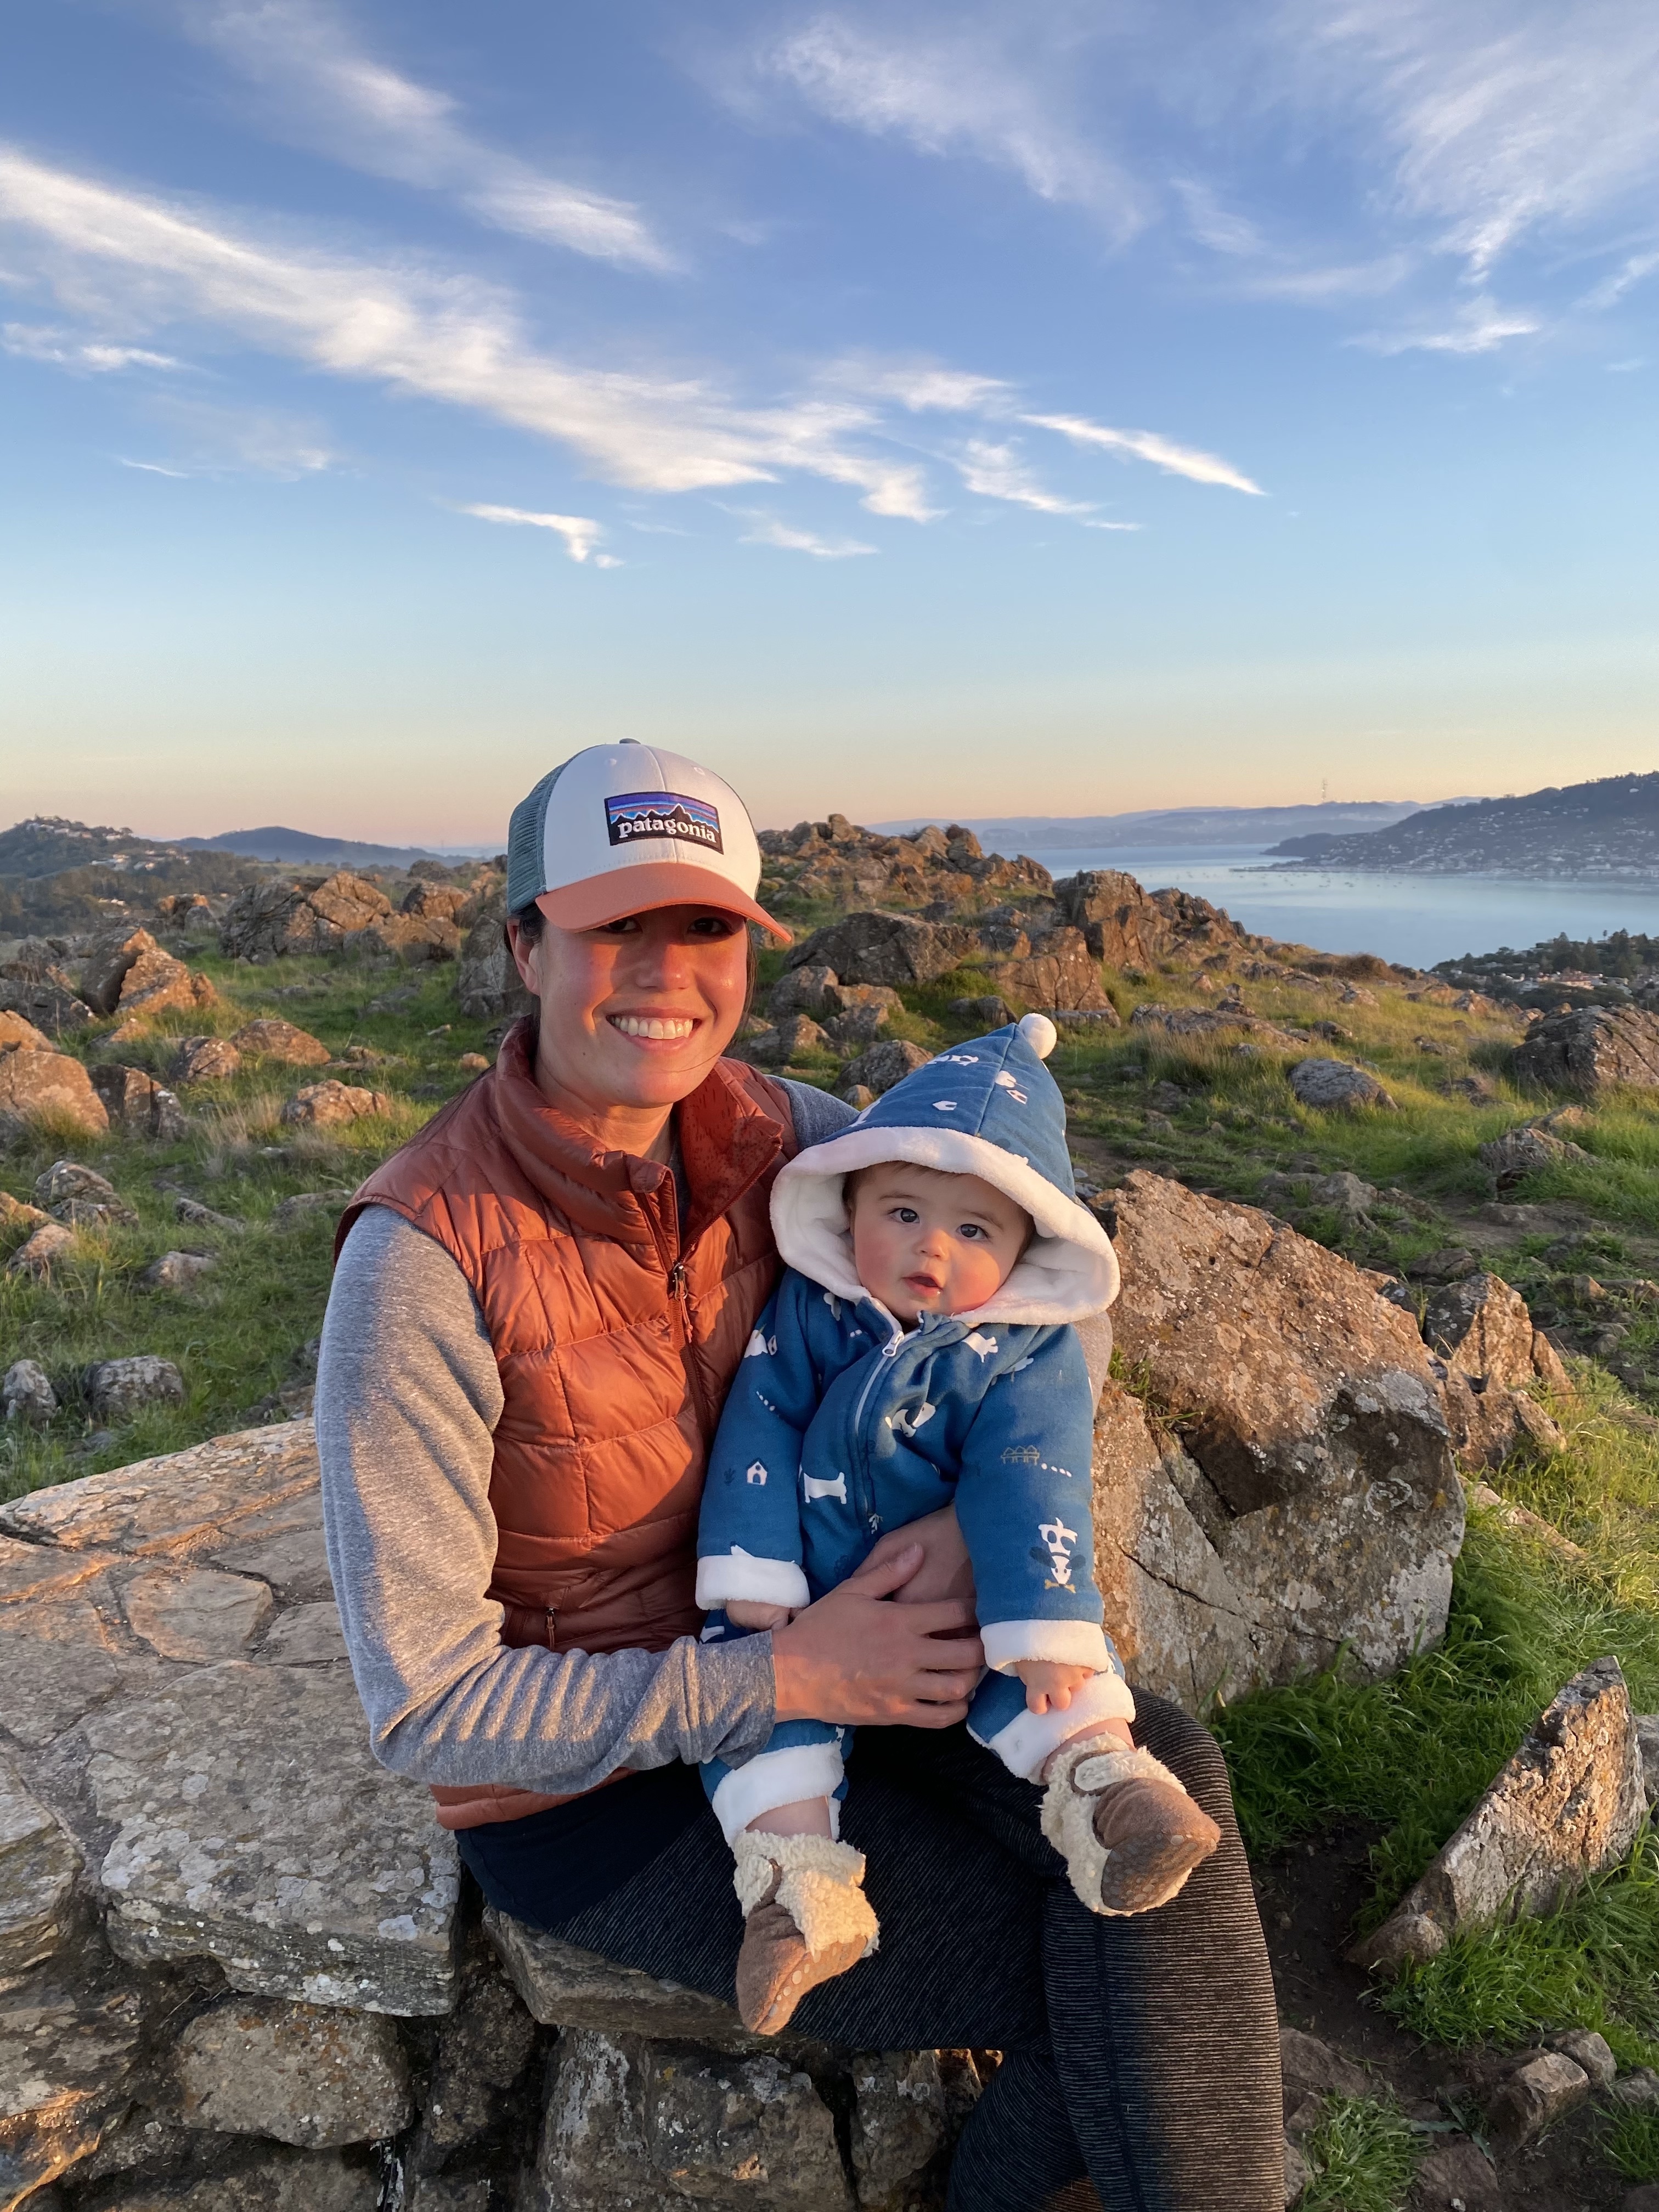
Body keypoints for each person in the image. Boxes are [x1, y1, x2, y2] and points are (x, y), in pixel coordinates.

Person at [318, 740, 1284, 2210]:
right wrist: (780, 1680)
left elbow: (1051, 1287)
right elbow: (429, 1709)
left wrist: (977, 1515)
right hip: (608, 1788)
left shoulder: (803, 1143)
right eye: (611, 925)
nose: (663, 970)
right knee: (1103, 1974)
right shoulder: (421, 1262)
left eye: (702, 927)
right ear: (524, 944)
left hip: (864, 1663)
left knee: (1175, 1789)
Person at [696, 1013, 1221, 2032]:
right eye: (902, 1211)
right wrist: (755, 1589)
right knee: (762, 1723)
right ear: (849, 1205)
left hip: (957, 1605)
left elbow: (1034, 1475)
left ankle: (1111, 1794)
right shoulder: (810, 1313)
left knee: (1059, 1681)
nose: (932, 1247)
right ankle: (800, 1901)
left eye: (975, 1231)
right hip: (804, 1607)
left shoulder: (1022, 1357)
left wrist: (1038, 1621)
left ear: (1025, 1251)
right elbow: (756, 1428)